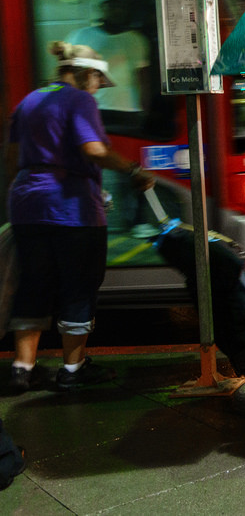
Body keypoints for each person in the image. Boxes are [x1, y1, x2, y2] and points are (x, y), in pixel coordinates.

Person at [4, 42, 155, 393]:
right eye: (98, 82)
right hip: (71, 208)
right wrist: (132, 168)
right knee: (78, 285)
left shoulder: (28, 101)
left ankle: (22, 369)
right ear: (88, 74)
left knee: (33, 284)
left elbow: (12, 160)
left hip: (26, 204)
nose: (97, 91)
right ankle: (72, 369)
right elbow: (94, 150)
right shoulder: (79, 101)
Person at [67, 0, 153, 236]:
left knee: (131, 166)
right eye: (111, 4)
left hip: (128, 112)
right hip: (93, 111)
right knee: (93, 165)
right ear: (102, 8)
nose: (116, 9)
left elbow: (143, 77)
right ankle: (94, 218)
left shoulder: (135, 40)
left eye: (120, 5)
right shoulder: (80, 37)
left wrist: (144, 109)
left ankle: (137, 220)